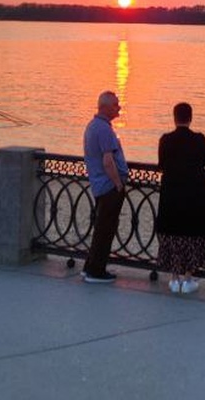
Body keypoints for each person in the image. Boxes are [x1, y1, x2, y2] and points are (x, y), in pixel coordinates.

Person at [156, 102, 205, 294]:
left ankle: (174, 278)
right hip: (193, 194)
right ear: (191, 117)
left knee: (172, 233)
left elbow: (161, 164)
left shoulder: (166, 139)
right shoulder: (200, 139)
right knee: (191, 235)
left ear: (174, 117)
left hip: (171, 193)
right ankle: (188, 278)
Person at [82, 90, 129, 283]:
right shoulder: (103, 129)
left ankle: (90, 267)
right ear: (105, 106)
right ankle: (96, 271)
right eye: (116, 104)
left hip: (100, 185)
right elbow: (108, 161)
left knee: (101, 227)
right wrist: (118, 184)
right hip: (108, 187)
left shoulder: (93, 126)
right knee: (105, 229)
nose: (119, 107)